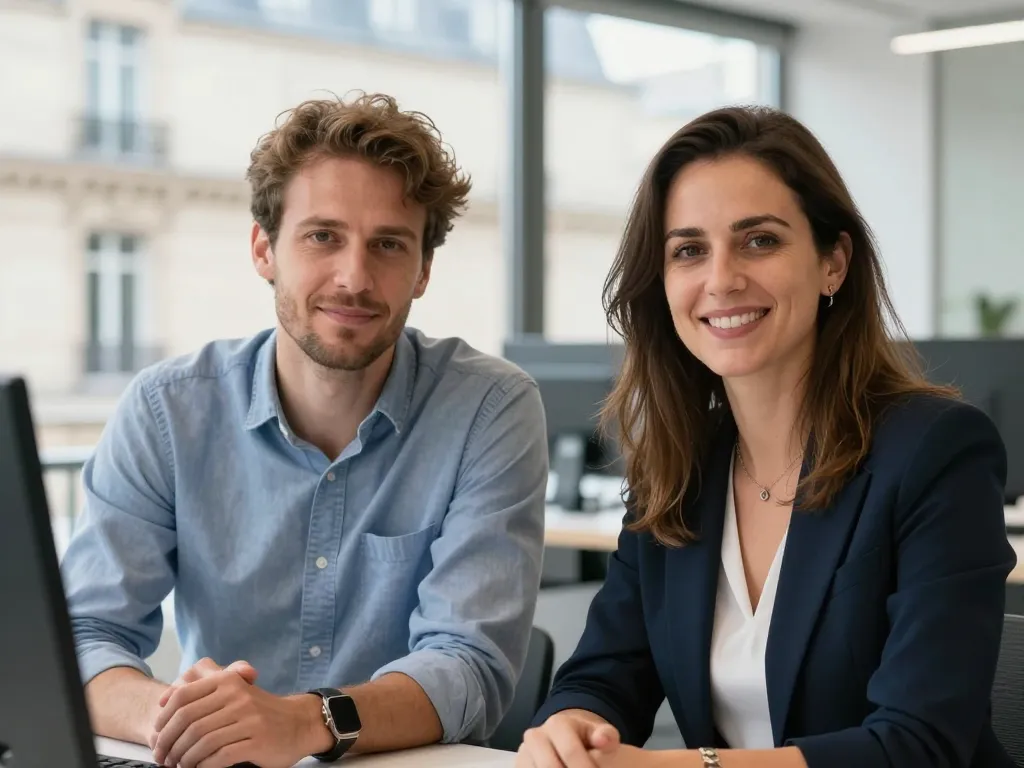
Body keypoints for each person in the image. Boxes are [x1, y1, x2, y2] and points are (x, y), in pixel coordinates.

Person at [517, 105, 1016, 768]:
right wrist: (571, 729)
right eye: (689, 250)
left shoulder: (935, 453)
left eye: (760, 240)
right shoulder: (680, 471)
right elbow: (603, 675)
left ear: (833, 262)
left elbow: (918, 744)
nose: (721, 279)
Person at [60, 92, 549, 768]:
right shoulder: (166, 411)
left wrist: (305, 721)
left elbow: (468, 664)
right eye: (323, 236)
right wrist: (186, 720)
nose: (354, 277)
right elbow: (83, 633)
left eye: (388, 245)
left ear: (423, 271)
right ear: (264, 249)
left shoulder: (489, 408)